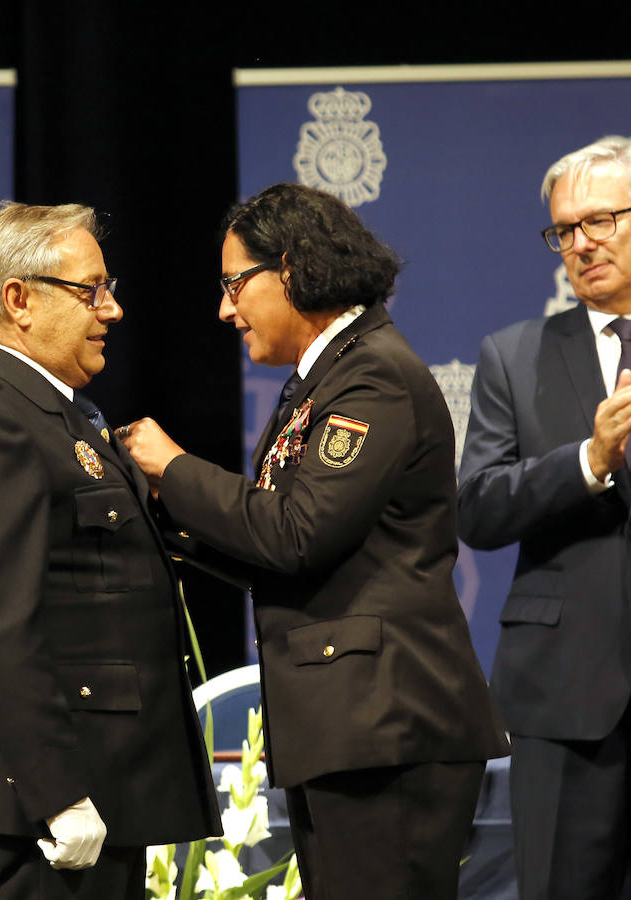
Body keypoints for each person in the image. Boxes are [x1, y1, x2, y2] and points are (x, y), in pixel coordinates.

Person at [120, 183, 510, 900]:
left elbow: (295, 534)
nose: (224, 309)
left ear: (291, 270)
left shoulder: (372, 378)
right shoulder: (323, 379)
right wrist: (167, 521)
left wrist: (172, 467)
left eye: (234, 284)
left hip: (385, 730)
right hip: (351, 728)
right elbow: (283, 546)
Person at [0, 201, 221, 900]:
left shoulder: (54, 416)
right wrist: (56, 793)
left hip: (100, 780)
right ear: (18, 300)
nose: (111, 310)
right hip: (52, 801)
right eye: (91, 290)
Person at [457, 135, 631, 900]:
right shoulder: (513, 354)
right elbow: (480, 507)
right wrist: (587, 460)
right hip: (567, 699)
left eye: (599, 220)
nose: (580, 243)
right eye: (563, 230)